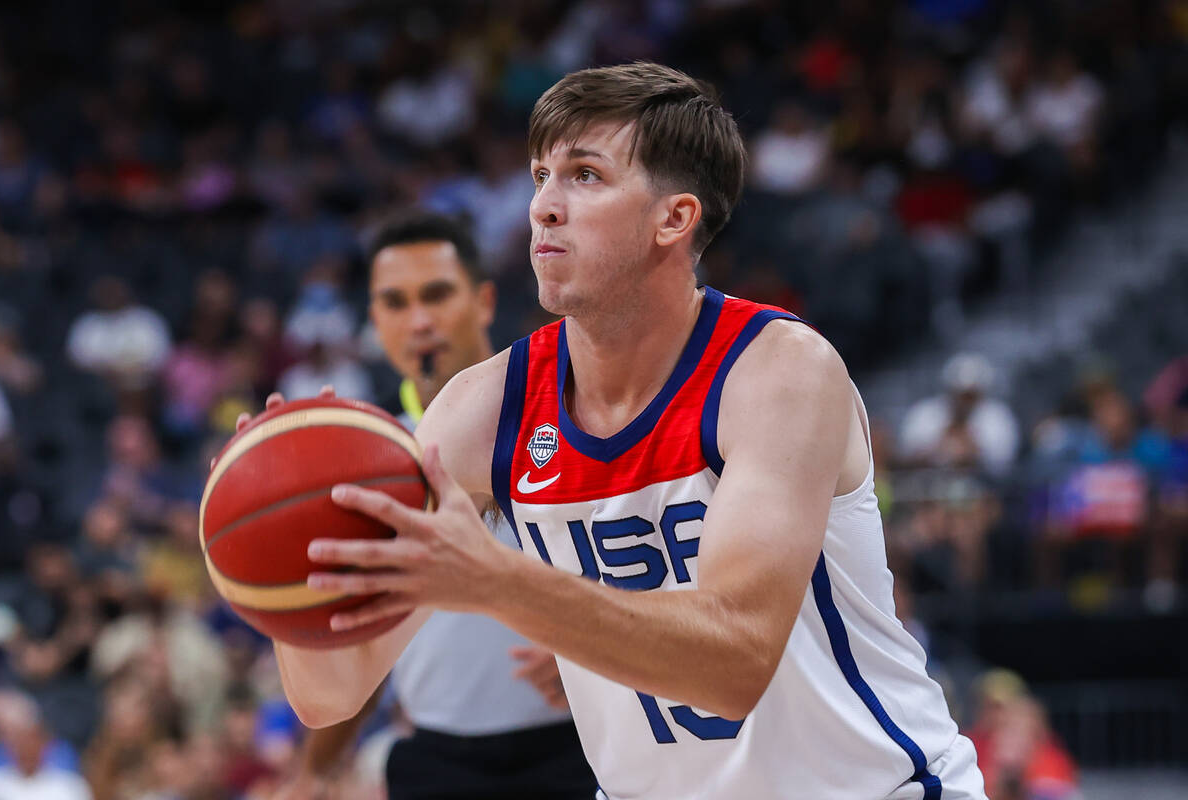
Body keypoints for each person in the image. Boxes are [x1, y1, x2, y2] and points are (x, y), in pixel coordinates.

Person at [255, 63, 986, 799]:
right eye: (541, 174)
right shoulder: (481, 408)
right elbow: (332, 693)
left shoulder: (777, 374)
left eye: (585, 176)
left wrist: (495, 581)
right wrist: (288, 549)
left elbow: (734, 663)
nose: (542, 205)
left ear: (674, 218)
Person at [274, 212, 596, 799]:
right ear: (374, 320)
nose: (419, 321)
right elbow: (363, 637)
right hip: (438, 759)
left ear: (483, 300)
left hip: (581, 744)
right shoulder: (358, 460)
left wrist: (596, 647)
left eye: (438, 295)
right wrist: (314, 771)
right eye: (395, 303)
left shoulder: (570, 415)